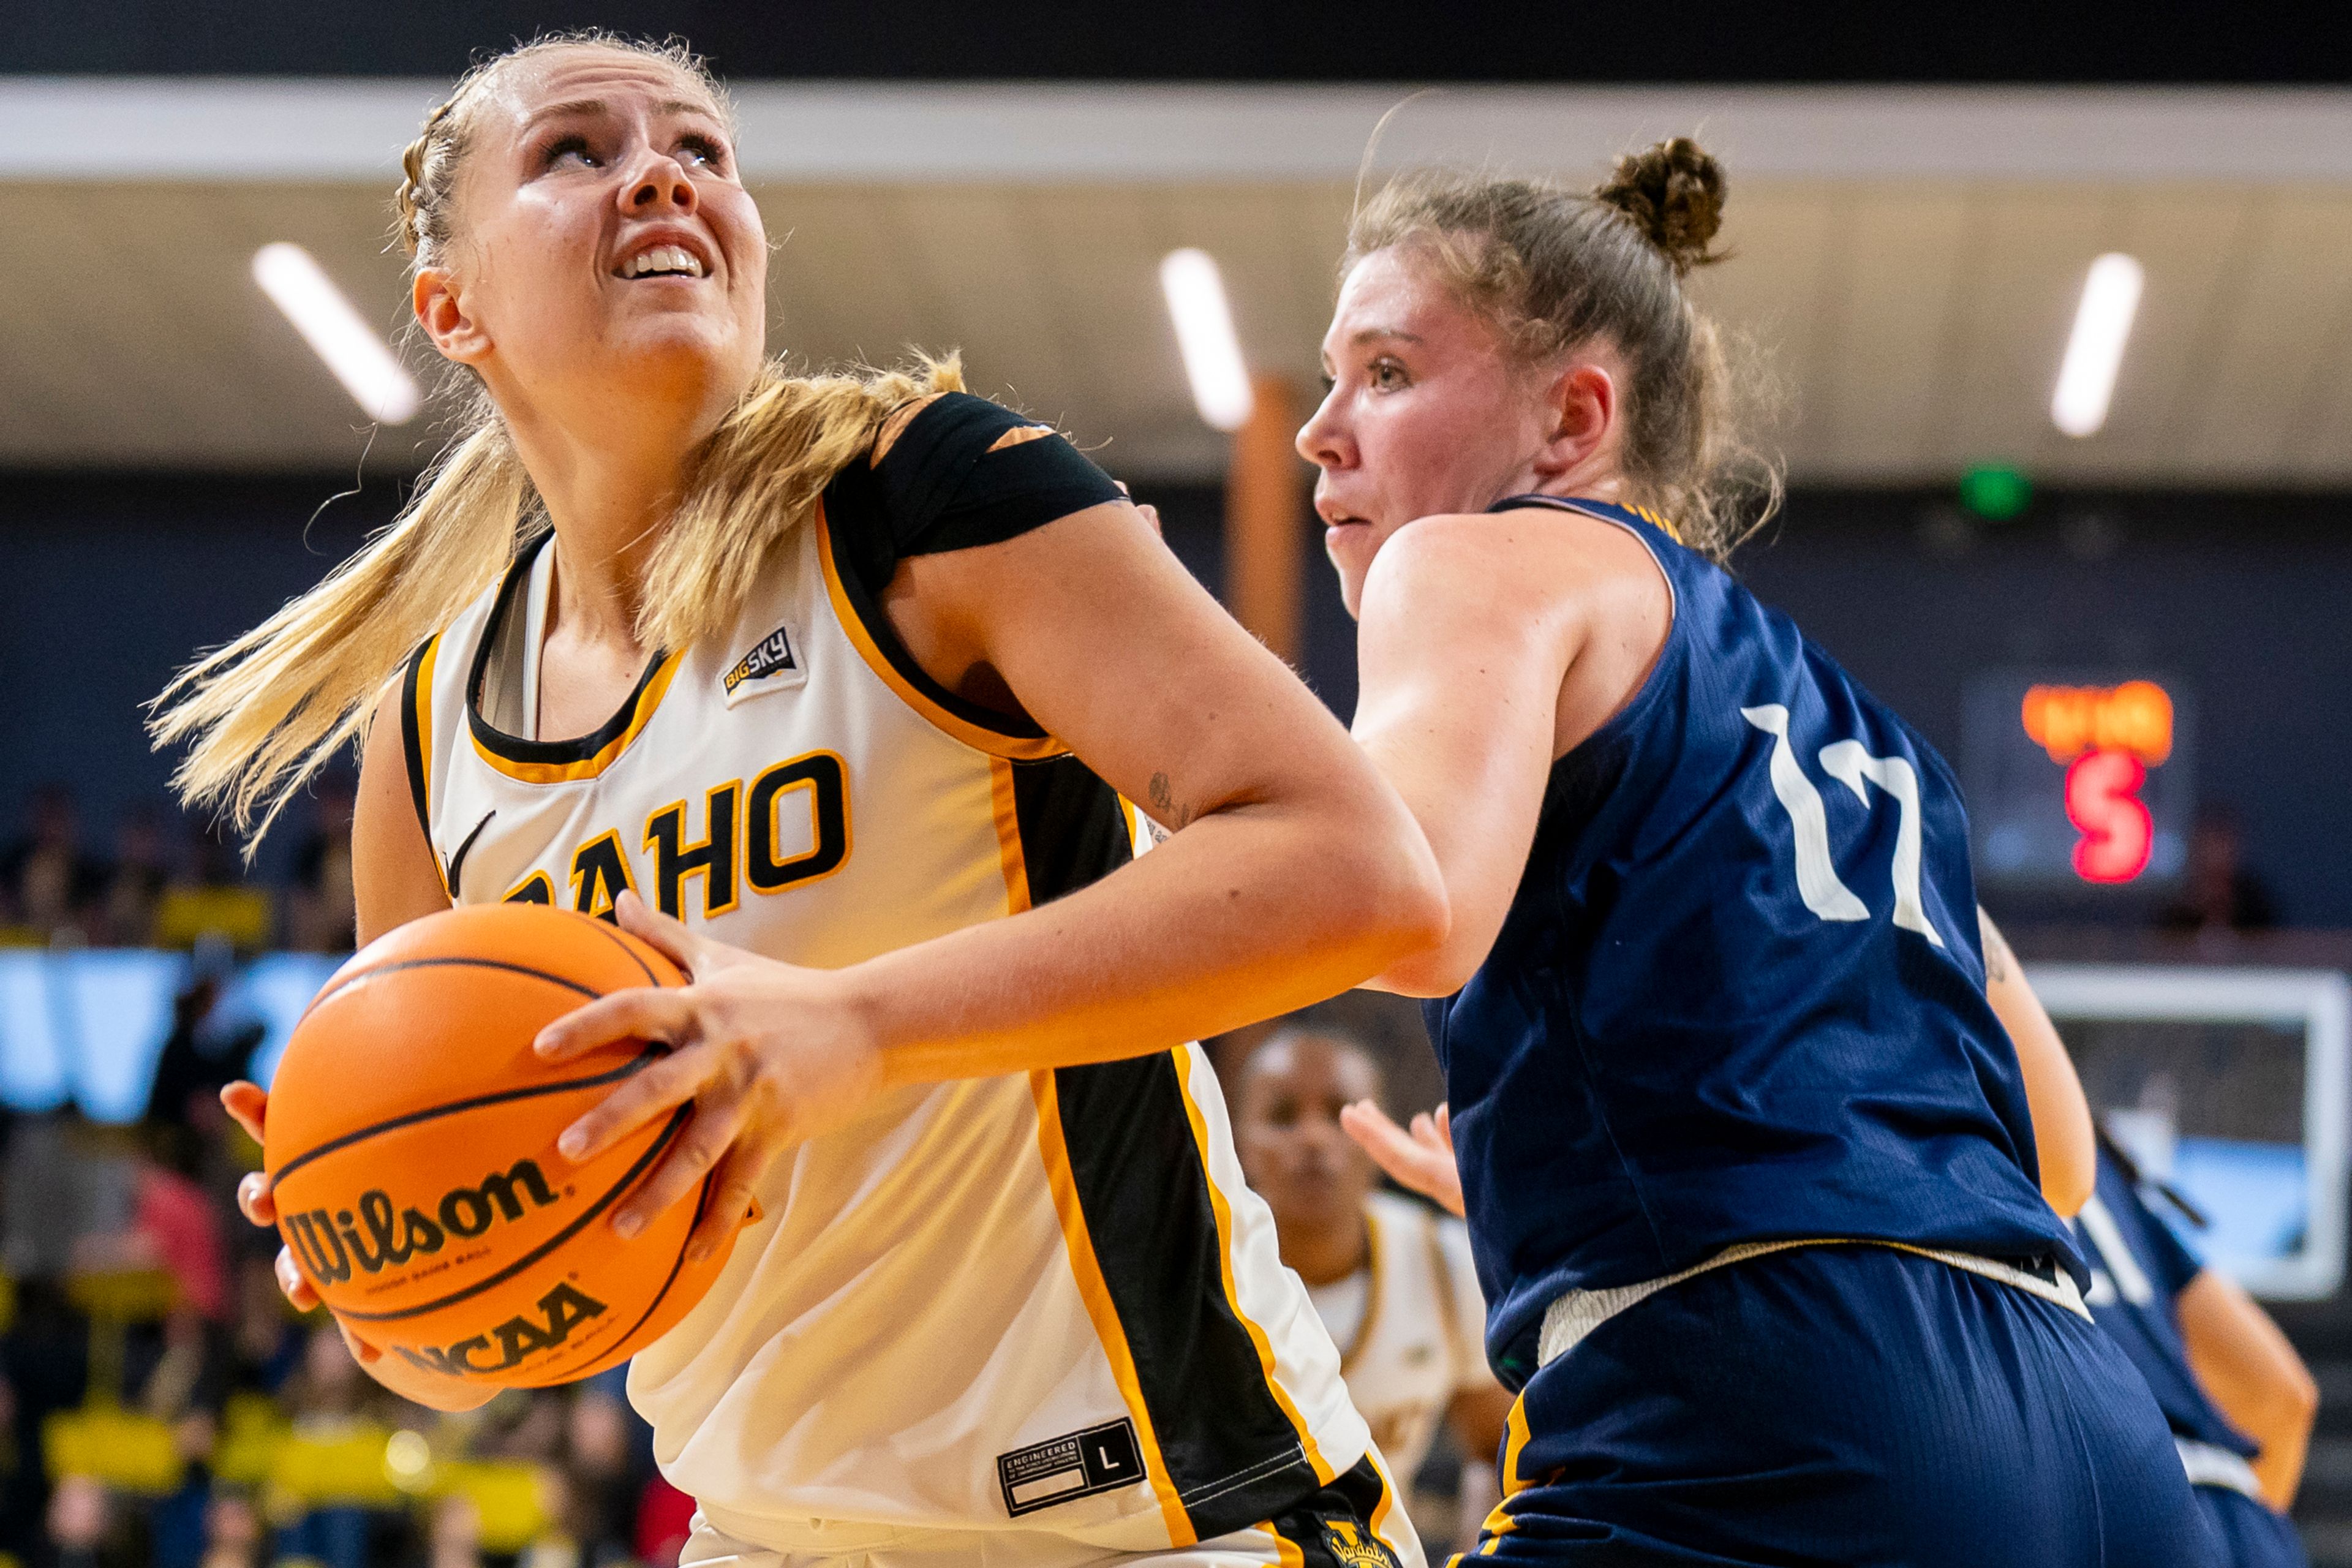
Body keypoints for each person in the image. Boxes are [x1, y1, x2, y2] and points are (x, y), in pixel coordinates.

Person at [151, 32, 1443, 1568]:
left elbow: (1363, 872)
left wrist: (862, 1020)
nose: (662, 175)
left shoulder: (926, 501)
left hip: (1166, 1515)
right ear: (454, 309)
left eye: (703, 151)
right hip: (765, 1533)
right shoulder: (429, 732)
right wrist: (388, 1245)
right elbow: (476, 1347)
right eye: (577, 150)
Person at [1295, 139, 2203, 1562]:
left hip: (1789, 1407)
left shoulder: (1475, 560)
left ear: (1571, 418)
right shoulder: (1876, 739)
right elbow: (2059, 1154)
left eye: (1385, 372)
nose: (1319, 426)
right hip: (2091, 1431)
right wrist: (1635, 1146)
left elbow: (1397, 903)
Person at [1230, 1025, 1510, 1551]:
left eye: (1340, 1115)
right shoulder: (1201, 1272)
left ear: (1380, 1139)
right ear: (1238, 1144)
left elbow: (1492, 1452)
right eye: (1283, 1117)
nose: (1313, 1138)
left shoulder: (1447, 1259)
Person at [2073, 1129, 2315, 1567]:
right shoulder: (2095, 1150)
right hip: (2243, 1522)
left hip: (2114, 1512)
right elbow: (2283, 1397)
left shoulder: (1959, 1122)